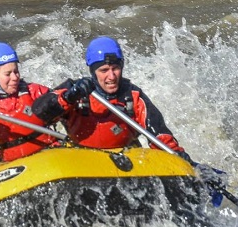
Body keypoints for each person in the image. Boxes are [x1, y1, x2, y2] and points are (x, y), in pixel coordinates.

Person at [32, 36, 189, 156]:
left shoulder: (132, 96)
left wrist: (177, 156)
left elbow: (159, 133)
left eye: (115, 68)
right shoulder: (74, 91)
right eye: (104, 70)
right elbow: (39, 112)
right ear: (93, 72)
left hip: (125, 155)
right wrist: (69, 97)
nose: (112, 76)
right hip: (81, 157)